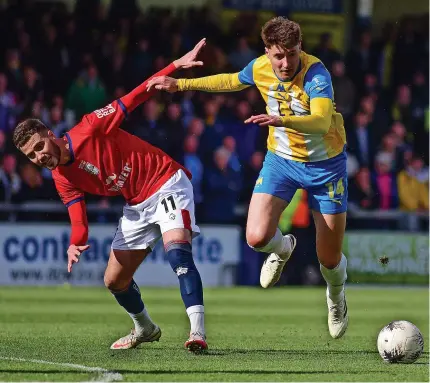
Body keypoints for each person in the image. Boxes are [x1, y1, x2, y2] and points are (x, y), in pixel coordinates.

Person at [148, 17, 349, 339]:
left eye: (293, 54)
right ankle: (283, 248)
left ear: (301, 49)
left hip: (326, 166)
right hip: (282, 161)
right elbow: (229, 81)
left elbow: (322, 123)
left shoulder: (317, 74)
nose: (286, 63)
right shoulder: (259, 68)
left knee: (328, 257)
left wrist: (280, 119)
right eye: (278, 56)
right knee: (256, 238)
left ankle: (336, 296)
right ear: (267, 52)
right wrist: (181, 84)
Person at [12, 39, 209, 353]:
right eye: (31, 156)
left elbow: (137, 95)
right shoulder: (61, 177)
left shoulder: (89, 127)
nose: (39, 157)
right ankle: (145, 328)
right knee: (114, 281)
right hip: (136, 204)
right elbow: (79, 218)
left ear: (51, 135)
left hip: (166, 181)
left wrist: (175, 66)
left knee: (178, 254)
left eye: (39, 147)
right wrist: (76, 241)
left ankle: (197, 333)